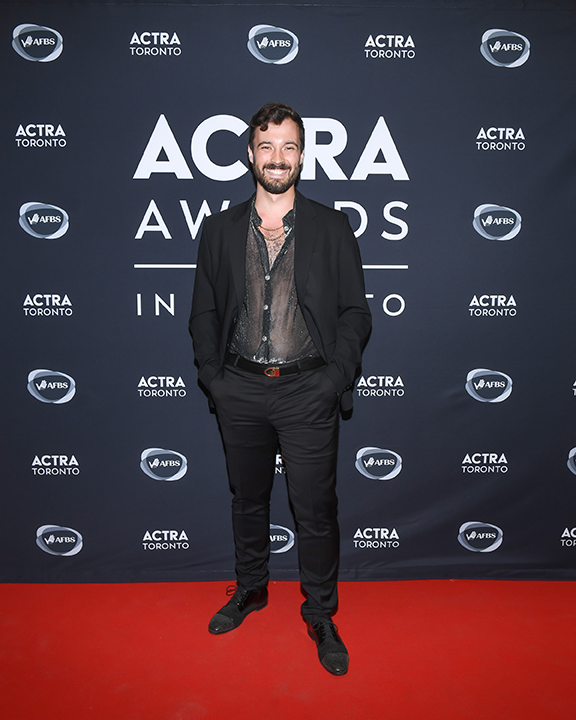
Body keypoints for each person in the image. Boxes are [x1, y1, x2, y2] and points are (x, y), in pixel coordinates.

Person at [189, 101, 371, 675]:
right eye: (266, 146)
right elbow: (203, 313)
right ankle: (251, 587)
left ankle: (320, 614)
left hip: (307, 389)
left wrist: (334, 379)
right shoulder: (219, 229)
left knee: (315, 509)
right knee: (247, 500)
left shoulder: (331, 226)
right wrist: (214, 379)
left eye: (288, 147)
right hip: (239, 388)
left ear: (301, 156)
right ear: (250, 154)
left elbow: (355, 313)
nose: (277, 157)